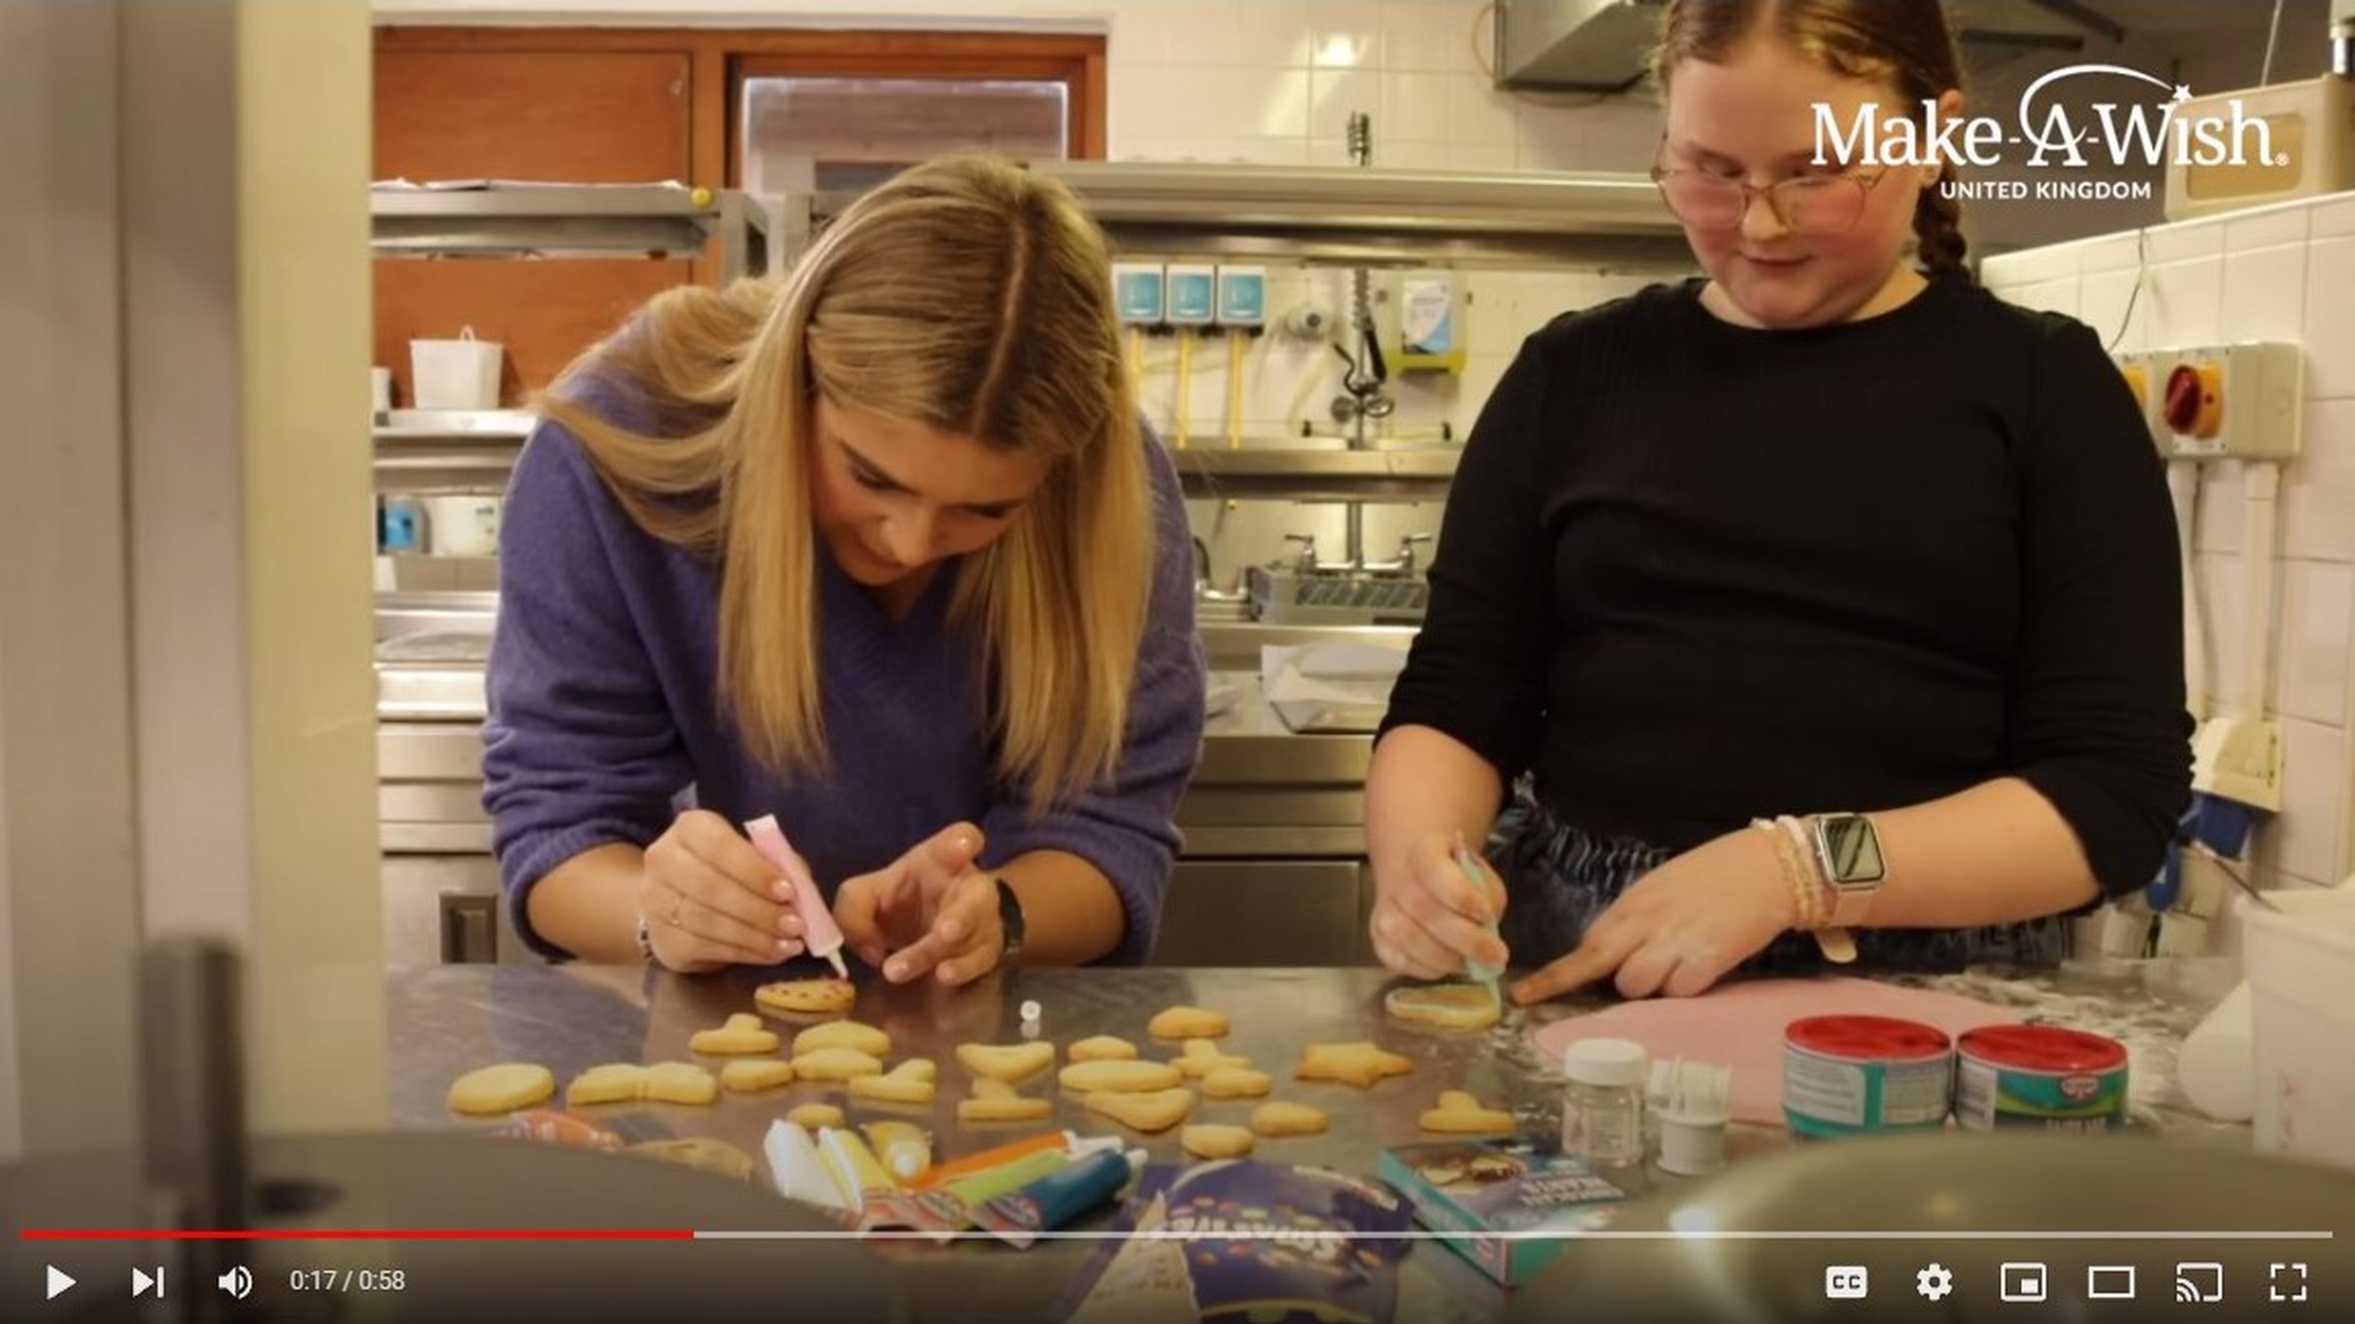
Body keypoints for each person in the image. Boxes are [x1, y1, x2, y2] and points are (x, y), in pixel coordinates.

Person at [1367, 0, 2191, 1003]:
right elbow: (1457, 698)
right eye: (1710, 172)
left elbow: (2112, 796)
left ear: (1934, 139)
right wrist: (1418, 859)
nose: (1760, 224)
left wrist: (1798, 870)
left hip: (1924, 982)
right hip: (1590, 953)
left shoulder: (2045, 390)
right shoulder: (1573, 376)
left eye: (1814, 173)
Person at [482, 154, 1206, 985]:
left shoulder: (1110, 492)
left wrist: (1000, 912)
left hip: (993, 1036)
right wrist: (659, 910)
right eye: (870, 477)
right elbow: (558, 821)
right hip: (703, 1038)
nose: (909, 543)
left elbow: (1109, 829)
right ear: (792, 385)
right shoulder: (615, 446)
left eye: (986, 511)